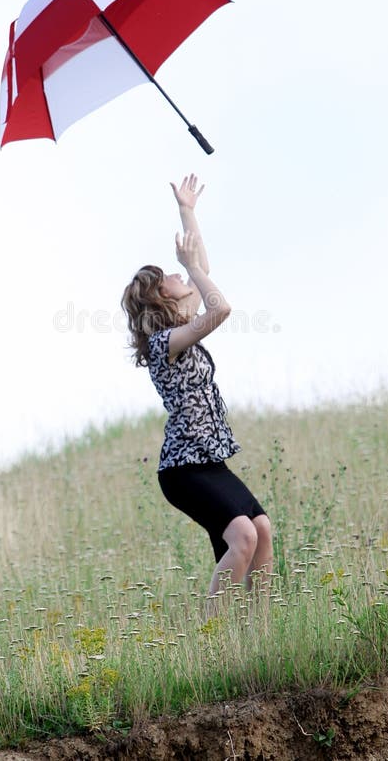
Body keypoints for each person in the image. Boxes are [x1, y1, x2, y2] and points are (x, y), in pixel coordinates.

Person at [121, 173, 273, 602]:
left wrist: (187, 211)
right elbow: (220, 305)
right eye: (169, 277)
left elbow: (201, 269)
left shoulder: (183, 327)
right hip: (182, 469)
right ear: (160, 299)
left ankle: (263, 634)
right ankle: (214, 641)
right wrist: (189, 267)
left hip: (208, 459)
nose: (180, 274)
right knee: (242, 535)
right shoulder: (163, 343)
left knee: (261, 529)